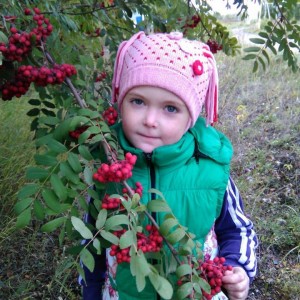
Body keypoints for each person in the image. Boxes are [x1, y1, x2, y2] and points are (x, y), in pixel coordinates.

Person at [80, 31, 258, 300]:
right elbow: (91, 242)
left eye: (170, 108)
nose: (150, 119)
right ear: (120, 102)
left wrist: (238, 268)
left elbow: (238, 229)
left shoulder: (211, 169)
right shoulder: (107, 168)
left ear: (191, 117)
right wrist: (91, 294)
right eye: (138, 101)